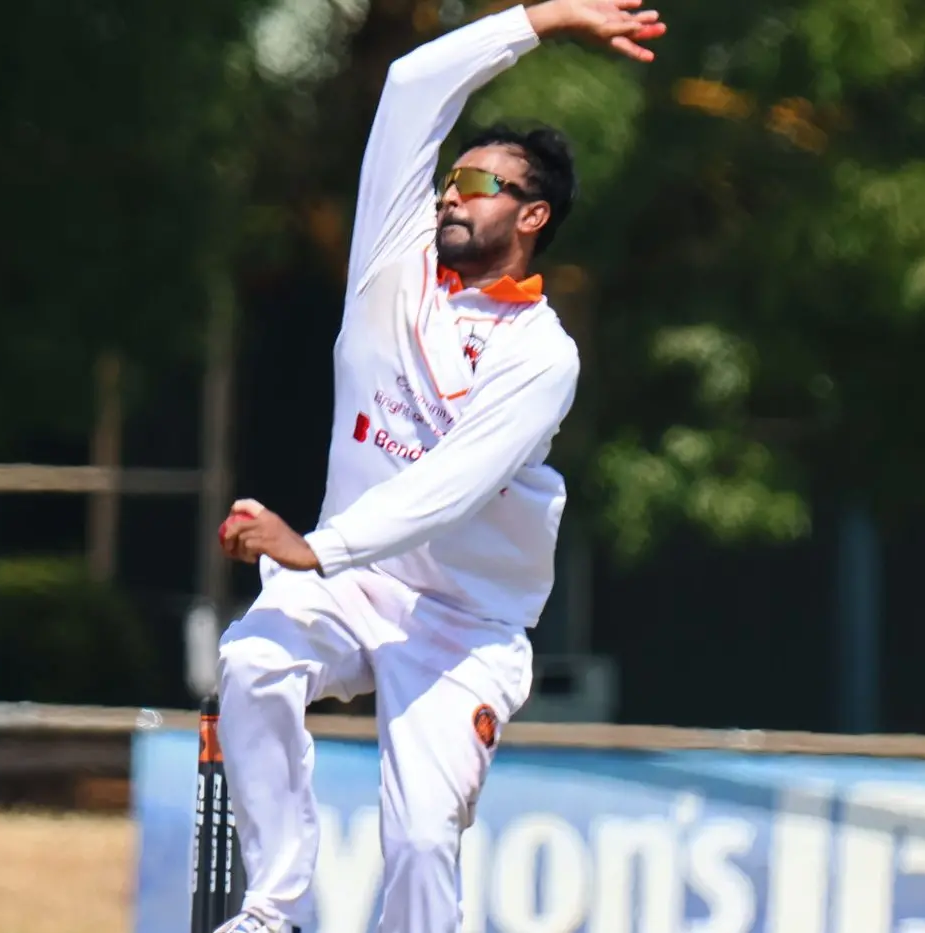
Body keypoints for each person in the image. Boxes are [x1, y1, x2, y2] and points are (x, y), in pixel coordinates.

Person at [212, 2, 665, 932]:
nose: (452, 194)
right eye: (451, 178)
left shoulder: (542, 355)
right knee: (253, 660)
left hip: (463, 623)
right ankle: (272, 908)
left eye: (480, 184)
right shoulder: (393, 255)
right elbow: (412, 84)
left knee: (421, 838)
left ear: (532, 215)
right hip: (355, 580)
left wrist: (315, 547)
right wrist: (542, 18)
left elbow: (448, 488)